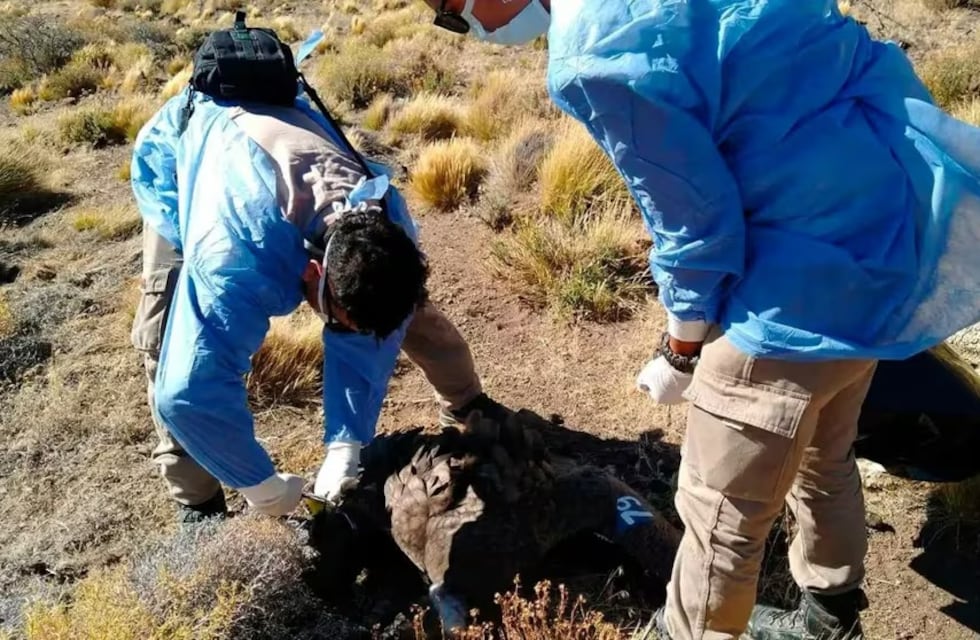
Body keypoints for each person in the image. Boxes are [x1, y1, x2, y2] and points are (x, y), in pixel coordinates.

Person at [420, 1, 980, 638]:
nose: (461, 26)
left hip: (787, 300)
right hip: (877, 242)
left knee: (719, 522)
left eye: (448, 8)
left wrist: (679, 350)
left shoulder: (594, 53)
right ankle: (830, 616)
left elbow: (696, 228)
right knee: (825, 454)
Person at [129, 14, 509, 525]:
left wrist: (345, 445)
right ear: (311, 273)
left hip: (282, 141)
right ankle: (197, 501)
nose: (346, 332)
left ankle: (467, 407)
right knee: (170, 345)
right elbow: (189, 392)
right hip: (190, 165)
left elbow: (372, 329)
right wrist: (262, 486)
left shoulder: (385, 222)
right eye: (339, 319)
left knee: (402, 313)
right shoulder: (230, 256)